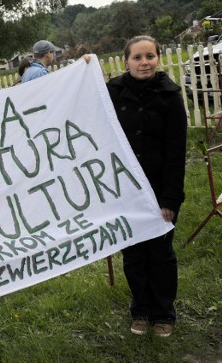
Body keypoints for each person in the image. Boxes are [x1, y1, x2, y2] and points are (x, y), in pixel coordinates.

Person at [106, 35, 187, 338]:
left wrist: (170, 198)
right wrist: (84, 66)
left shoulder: (170, 96)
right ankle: (140, 309)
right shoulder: (112, 92)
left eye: (149, 56)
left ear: (158, 59)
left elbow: (176, 151)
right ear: (126, 61)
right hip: (124, 190)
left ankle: (164, 312)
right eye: (137, 57)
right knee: (134, 253)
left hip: (158, 190)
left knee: (160, 253)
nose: (144, 62)